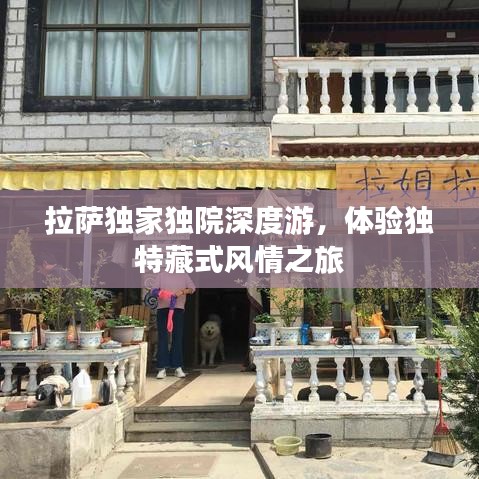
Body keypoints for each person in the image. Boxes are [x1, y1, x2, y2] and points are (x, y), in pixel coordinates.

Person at [154, 271, 195, 379]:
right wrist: (162, 293)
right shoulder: (161, 275)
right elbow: (154, 290)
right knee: (163, 338)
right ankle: (162, 368)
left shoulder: (183, 275)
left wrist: (182, 292)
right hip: (162, 309)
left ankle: (177, 367)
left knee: (177, 337)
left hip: (178, 309)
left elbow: (192, 288)